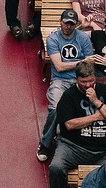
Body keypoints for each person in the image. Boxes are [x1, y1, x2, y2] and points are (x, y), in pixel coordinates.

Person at [42, 61, 106, 188]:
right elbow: (69, 124)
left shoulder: (105, 91)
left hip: (103, 150)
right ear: (76, 79)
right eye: (83, 82)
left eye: (91, 81)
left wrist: (97, 102)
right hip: (73, 147)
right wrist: (96, 117)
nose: (88, 85)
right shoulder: (69, 96)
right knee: (56, 167)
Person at [38, 9, 96, 161]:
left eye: (71, 24)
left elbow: (90, 66)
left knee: (90, 107)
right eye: (66, 23)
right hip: (60, 81)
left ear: (75, 24)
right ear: (60, 22)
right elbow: (59, 66)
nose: (68, 26)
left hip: (80, 81)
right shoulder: (53, 39)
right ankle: (45, 143)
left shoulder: (83, 37)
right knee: (55, 108)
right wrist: (82, 61)